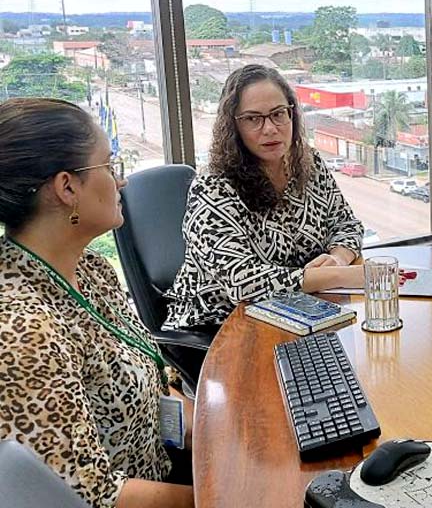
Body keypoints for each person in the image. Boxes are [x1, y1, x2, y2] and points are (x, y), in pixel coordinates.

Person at [0, 98, 194, 508]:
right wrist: (231, 495)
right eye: (108, 166)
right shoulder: (24, 332)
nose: (120, 181)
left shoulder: (90, 268)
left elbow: (151, 390)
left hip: (163, 470)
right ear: (67, 187)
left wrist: (225, 435)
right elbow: (96, 498)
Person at [163, 65, 364, 331]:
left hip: (297, 311)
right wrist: (337, 276)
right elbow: (242, 283)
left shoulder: (309, 162)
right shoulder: (213, 187)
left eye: (278, 114)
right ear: (232, 125)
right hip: (219, 324)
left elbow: (347, 225)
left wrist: (338, 258)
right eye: (252, 119)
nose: (270, 128)